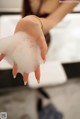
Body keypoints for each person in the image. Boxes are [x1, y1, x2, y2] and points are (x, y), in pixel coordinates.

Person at [0, 0, 78, 86]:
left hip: (42, 40)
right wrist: (25, 23)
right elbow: (23, 10)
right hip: (22, 33)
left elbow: (52, 20)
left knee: (36, 69)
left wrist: (35, 21)